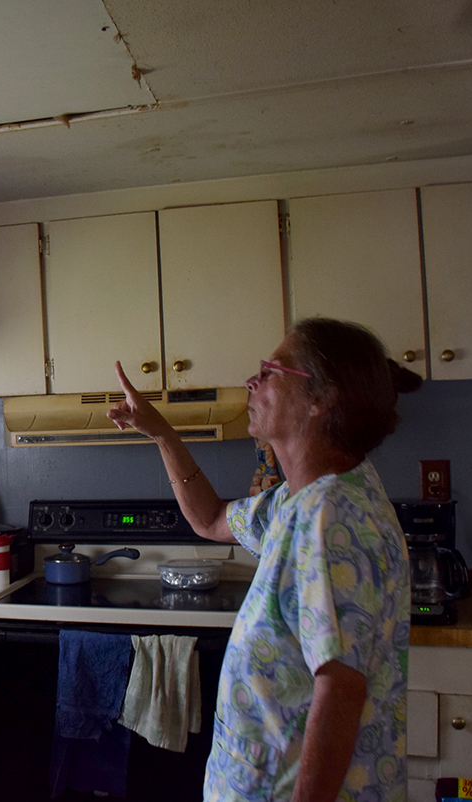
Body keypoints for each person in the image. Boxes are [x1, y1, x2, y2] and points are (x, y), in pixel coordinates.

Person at [107, 318, 421, 802]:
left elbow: (339, 690)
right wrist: (161, 433)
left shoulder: (332, 516)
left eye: (271, 371)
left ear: (322, 398)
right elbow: (211, 519)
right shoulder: (296, 502)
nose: (251, 382)